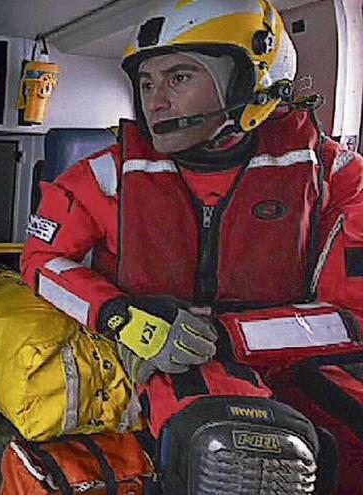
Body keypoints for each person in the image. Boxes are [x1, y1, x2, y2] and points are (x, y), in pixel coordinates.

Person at [22, 0, 363, 493]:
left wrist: (226, 335)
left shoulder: (336, 177)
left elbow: (352, 316)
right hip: (169, 365)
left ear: (251, 80)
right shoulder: (106, 177)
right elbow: (40, 263)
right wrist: (122, 317)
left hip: (301, 359)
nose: (155, 100)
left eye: (179, 78)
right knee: (229, 444)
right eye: (147, 82)